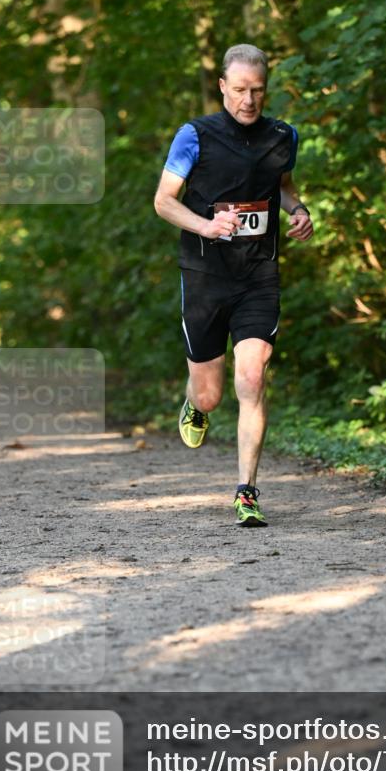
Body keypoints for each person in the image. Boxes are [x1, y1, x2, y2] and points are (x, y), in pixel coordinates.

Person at [154, 44, 313, 527]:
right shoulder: (194, 136)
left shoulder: (283, 136)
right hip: (205, 276)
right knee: (211, 395)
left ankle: (246, 491)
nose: (249, 100)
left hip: (258, 275)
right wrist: (205, 226)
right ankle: (194, 402)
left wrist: (299, 211)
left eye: (258, 90)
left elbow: (282, 186)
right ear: (223, 86)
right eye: (240, 90)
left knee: (253, 375)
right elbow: (164, 201)